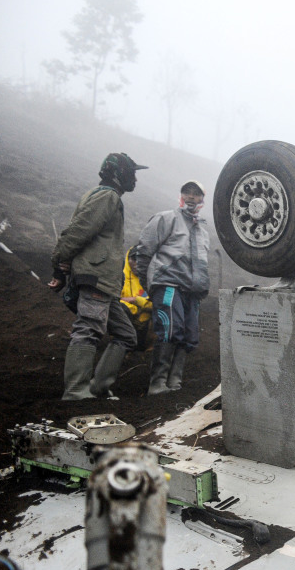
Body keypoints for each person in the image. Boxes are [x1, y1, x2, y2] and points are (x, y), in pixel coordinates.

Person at [48, 153, 147, 400]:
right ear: (118, 174)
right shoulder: (107, 196)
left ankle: (98, 387)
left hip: (105, 281)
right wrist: (58, 266)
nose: (134, 178)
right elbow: (79, 231)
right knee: (88, 328)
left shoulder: (102, 196)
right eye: (131, 172)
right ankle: (76, 390)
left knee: (126, 334)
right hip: (96, 276)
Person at [133, 180, 210, 395]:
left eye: (196, 194)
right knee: (169, 329)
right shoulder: (166, 218)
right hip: (168, 282)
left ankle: (174, 383)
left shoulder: (203, 228)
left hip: (192, 290)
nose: (192, 197)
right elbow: (145, 250)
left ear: (202, 200)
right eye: (188, 192)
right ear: (180, 195)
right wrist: (147, 281)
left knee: (189, 336)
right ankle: (157, 383)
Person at [121, 246, 154, 351]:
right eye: (133, 259)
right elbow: (114, 300)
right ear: (128, 259)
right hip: (126, 323)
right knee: (121, 308)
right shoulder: (119, 276)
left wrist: (134, 300)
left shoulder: (152, 278)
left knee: (163, 313)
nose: (136, 263)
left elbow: (158, 303)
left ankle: (151, 347)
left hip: (144, 326)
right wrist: (134, 308)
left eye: (140, 260)